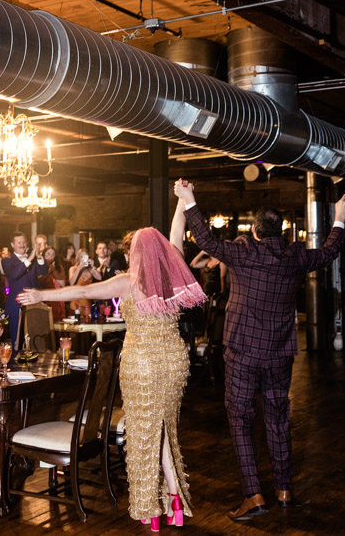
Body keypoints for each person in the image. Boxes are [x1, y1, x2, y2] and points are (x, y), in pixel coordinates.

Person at [175, 179, 345, 521]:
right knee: (278, 418)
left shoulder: (243, 253)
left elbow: (205, 240)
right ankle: (284, 490)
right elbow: (329, 252)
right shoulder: (295, 256)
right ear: (280, 231)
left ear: (255, 230)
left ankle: (254, 495)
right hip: (279, 353)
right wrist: (339, 218)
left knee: (241, 420)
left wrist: (189, 199)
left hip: (242, 351)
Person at [17, 210, 205, 530]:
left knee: (144, 434)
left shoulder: (127, 282)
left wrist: (40, 295)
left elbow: (81, 292)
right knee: (164, 430)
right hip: (174, 360)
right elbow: (176, 236)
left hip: (142, 362)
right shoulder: (170, 277)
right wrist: (181, 204)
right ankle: (174, 501)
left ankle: (152, 509)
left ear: (135, 253)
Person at [1, 231, 48, 348]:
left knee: (37, 340)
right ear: (12, 244)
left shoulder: (33, 258)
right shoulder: (7, 260)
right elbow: (15, 274)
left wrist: (39, 257)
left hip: (35, 305)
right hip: (17, 306)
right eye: (19, 242)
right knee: (18, 342)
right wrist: (30, 258)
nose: (22, 244)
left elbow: (44, 271)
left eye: (24, 242)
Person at [37, 246, 68, 321]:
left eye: (53, 254)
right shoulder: (40, 266)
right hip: (44, 299)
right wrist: (49, 271)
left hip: (57, 298)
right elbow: (38, 282)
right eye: (48, 254)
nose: (50, 256)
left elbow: (63, 283)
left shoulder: (58, 266)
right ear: (43, 255)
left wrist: (54, 271)